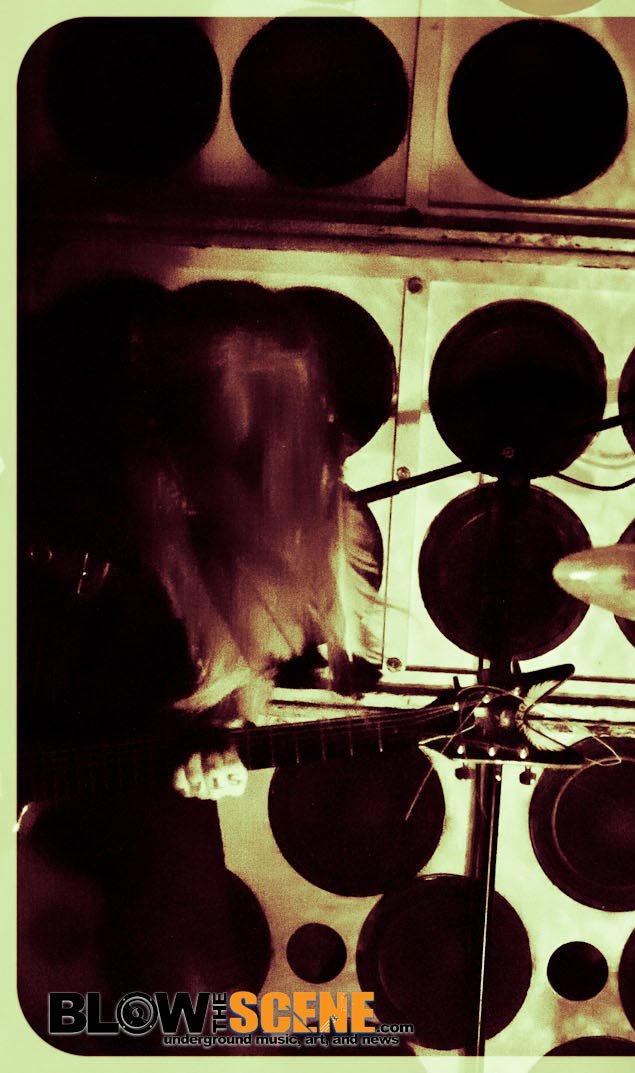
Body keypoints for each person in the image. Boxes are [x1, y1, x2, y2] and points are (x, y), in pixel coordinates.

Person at [17, 278, 380, 1050]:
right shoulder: (61, 474)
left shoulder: (301, 509)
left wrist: (225, 742)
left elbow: (242, 677)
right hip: (36, 725)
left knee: (201, 1012)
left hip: (132, 770)